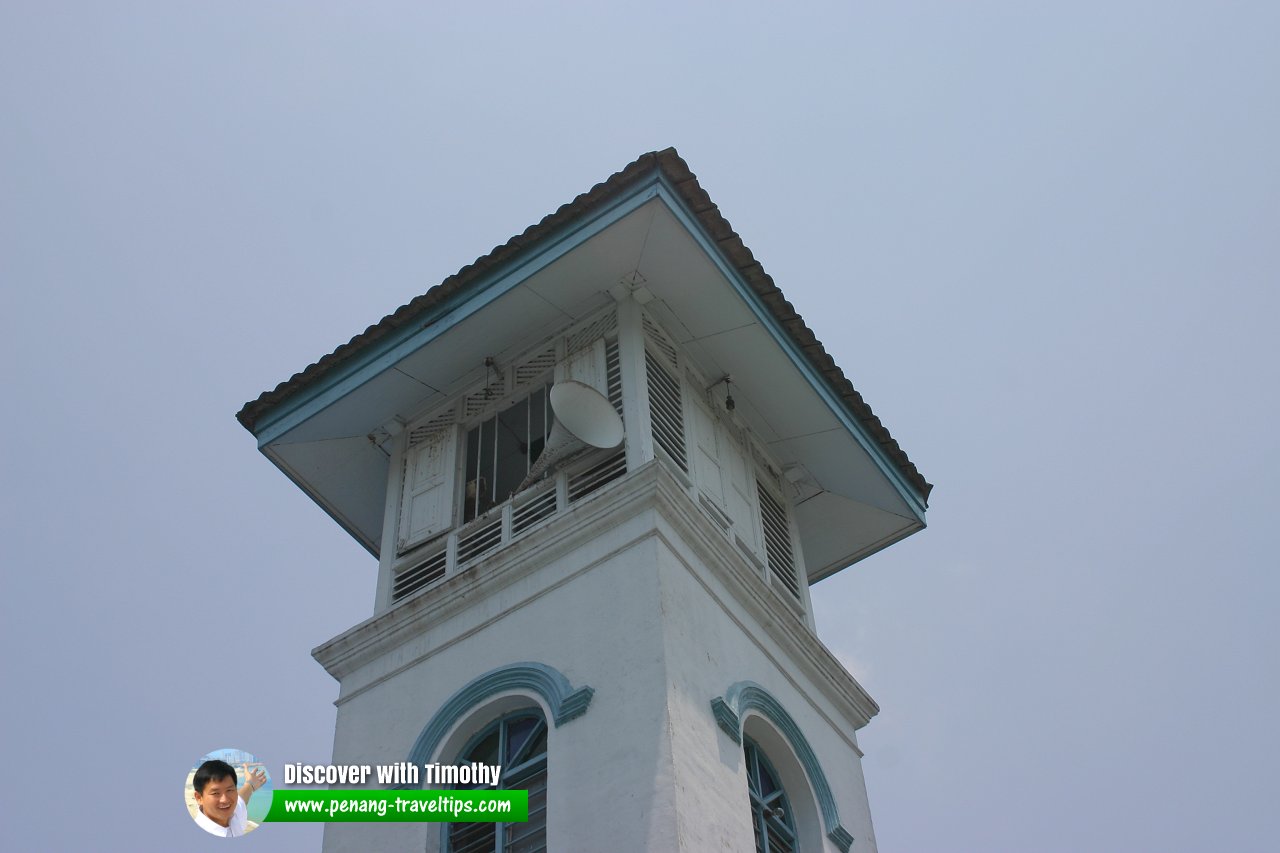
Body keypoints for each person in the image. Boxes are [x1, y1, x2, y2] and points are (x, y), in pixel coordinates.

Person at [191, 759, 267, 838]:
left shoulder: (234, 814)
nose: (225, 800)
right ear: (199, 798)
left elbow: (242, 798)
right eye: (215, 793)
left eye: (229, 790)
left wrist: (250, 784)